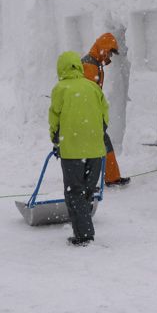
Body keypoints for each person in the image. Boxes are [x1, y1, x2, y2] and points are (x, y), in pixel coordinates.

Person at [49, 51, 109, 246]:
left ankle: (84, 234)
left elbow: (55, 119)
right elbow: (104, 115)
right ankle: (83, 229)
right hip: (95, 150)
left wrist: (56, 141)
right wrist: (99, 133)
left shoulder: (61, 89)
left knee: (74, 192)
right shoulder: (92, 87)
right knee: (86, 191)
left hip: (72, 151)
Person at [82, 32, 131, 187]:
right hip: (88, 115)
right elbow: (89, 95)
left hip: (89, 114)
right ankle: (107, 178)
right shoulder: (90, 65)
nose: (110, 55)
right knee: (99, 144)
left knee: (100, 144)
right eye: (109, 52)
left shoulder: (95, 63)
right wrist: (95, 115)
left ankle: (108, 177)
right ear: (103, 48)